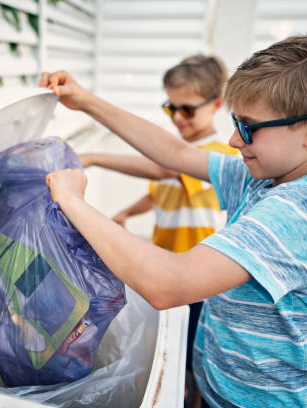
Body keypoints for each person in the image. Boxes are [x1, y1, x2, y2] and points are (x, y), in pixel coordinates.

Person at [40, 31, 307, 407]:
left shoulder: (305, 211)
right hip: (224, 389)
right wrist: (85, 101)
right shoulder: (263, 178)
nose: (233, 139)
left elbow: (167, 283)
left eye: (248, 127)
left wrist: (71, 200)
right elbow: (174, 153)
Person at [78, 54, 236, 407]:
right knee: (171, 344)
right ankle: (176, 392)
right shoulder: (181, 153)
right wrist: (127, 212)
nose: (178, 118)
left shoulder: (215, 154)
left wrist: (92, 157)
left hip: (198, 278)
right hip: (168, 265)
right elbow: (158, 193)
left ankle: (192, 397)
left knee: (194, 352)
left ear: (217, 104)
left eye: (188, 109)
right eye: (171, 108)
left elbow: (160, 171)